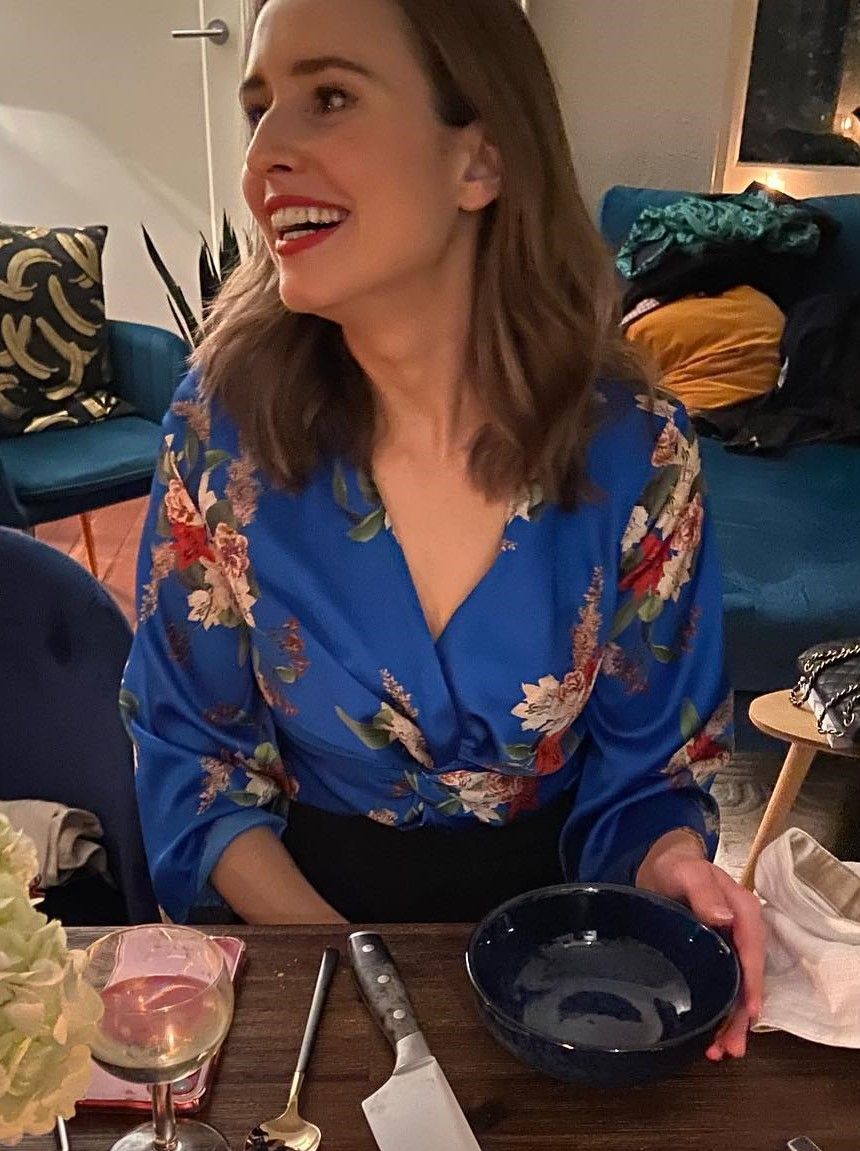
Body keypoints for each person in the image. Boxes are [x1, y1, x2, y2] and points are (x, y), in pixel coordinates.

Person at [121, 0, 764, 1060]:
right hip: (304, 936)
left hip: (567, 968)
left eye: (330, 97)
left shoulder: (636, 451)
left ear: (481, 159)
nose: (264, 155)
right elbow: (195, 755)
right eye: (258, 108)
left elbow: (652, 769)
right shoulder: (219, 432)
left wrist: (675, 868)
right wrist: (358, 971)